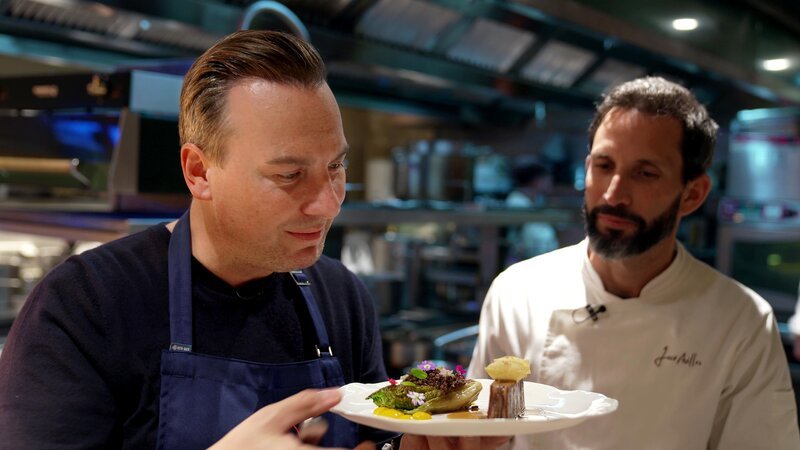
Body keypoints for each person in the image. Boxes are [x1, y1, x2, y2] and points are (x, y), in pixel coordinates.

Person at [0, 30, 506, 450]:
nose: (328, 203)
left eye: (336, 167)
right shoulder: (84, 304)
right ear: (199, 171)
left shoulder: (341, 298)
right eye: (289, 176)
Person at [468, 76, 800, 449]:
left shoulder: (742, 322)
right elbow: (481, 437)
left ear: (692, 194)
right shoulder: (518, 292)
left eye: (645, 173)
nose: (614, 194)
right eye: (604, 166)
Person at [504, 159, 559, 265]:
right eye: (546, 178)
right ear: (536, 181)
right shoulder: (516, 201)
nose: (550, 182)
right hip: (527, 261)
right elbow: (536, 240)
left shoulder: (536, 200)